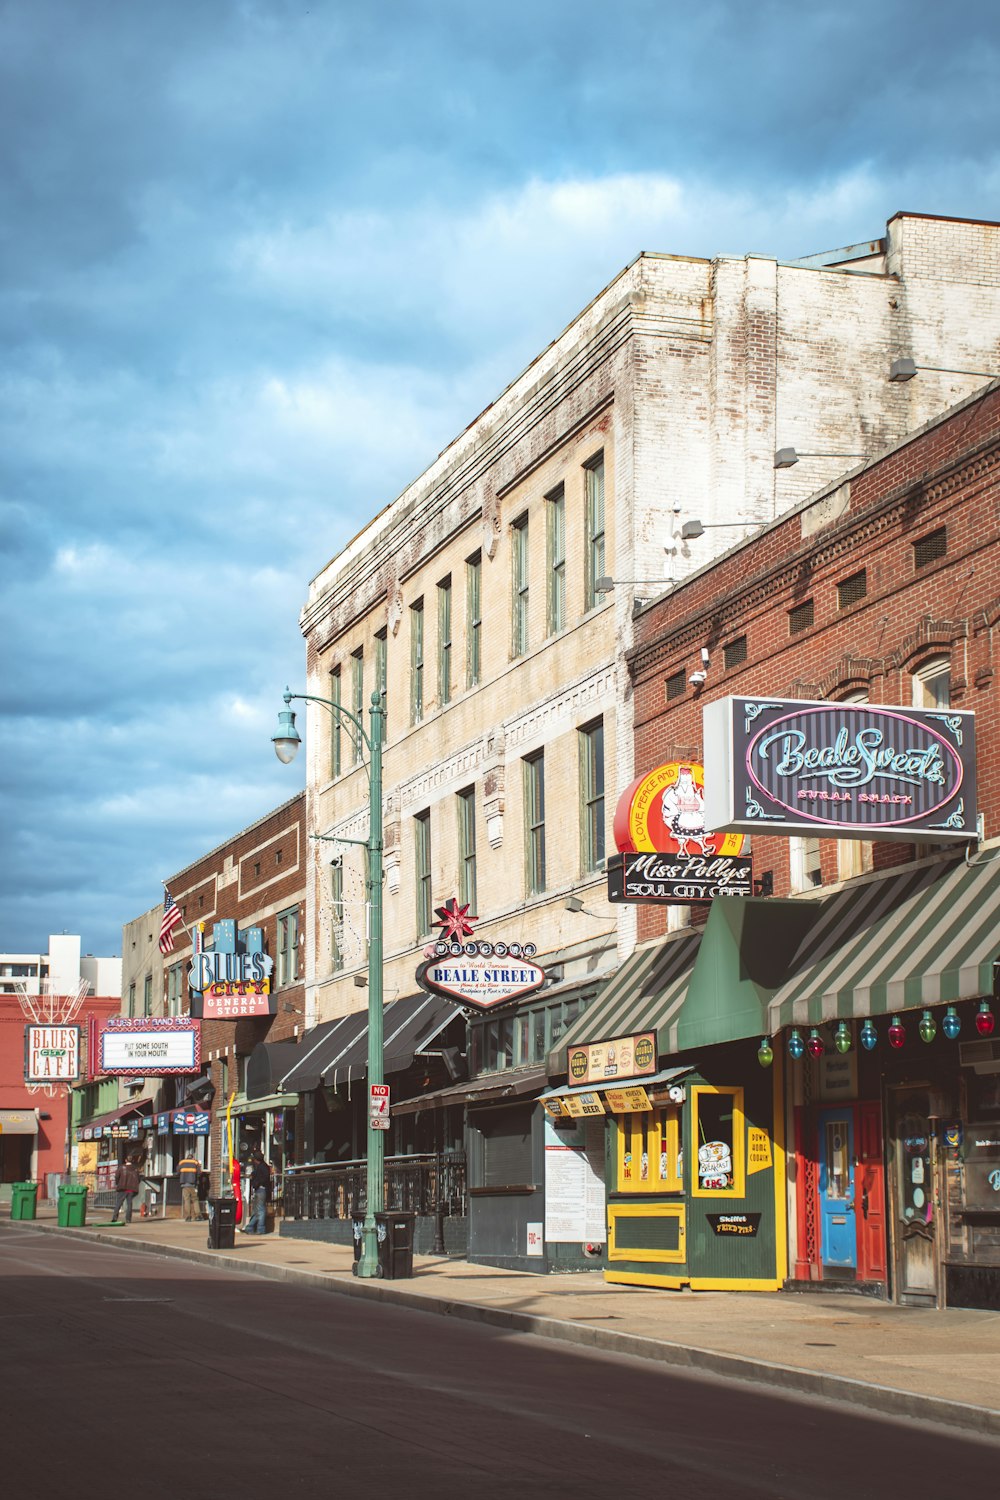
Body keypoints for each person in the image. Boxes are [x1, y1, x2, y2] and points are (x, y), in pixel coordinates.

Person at [241, 1150, 270, 1234]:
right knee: (256, 1210)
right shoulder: (261, 1167)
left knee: (260, 1210)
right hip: (259, 1190)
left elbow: (264, 1178)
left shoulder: (263, 1167)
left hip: (261, 1189)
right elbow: (256, 1174)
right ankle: (249, 1227)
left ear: (256, 1160)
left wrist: (256, 1183)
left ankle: (260, 1228)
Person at [110, 1153, 141, 1224]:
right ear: (132, 1160)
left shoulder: (121, 1168)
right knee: (129, 1204)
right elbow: (138, 1179)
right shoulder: (135, 1169)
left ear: (125, 1160)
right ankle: (128, 1219)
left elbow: (117, 1176)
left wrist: (118, 1183)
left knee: (118, 1203)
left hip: (122, 1188)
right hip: (131, 1189)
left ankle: (114, 1218)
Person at [177, 1145, 201, 1222]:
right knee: (195, 1200)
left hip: (184, 1184)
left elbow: (177, 1172)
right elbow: (199, 1173)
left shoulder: (182, 1162)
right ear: (192, 1157)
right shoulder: (195, 1162)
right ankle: (198, 1216)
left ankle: (188, 1216)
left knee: (186, 1200)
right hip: (193, 1184)